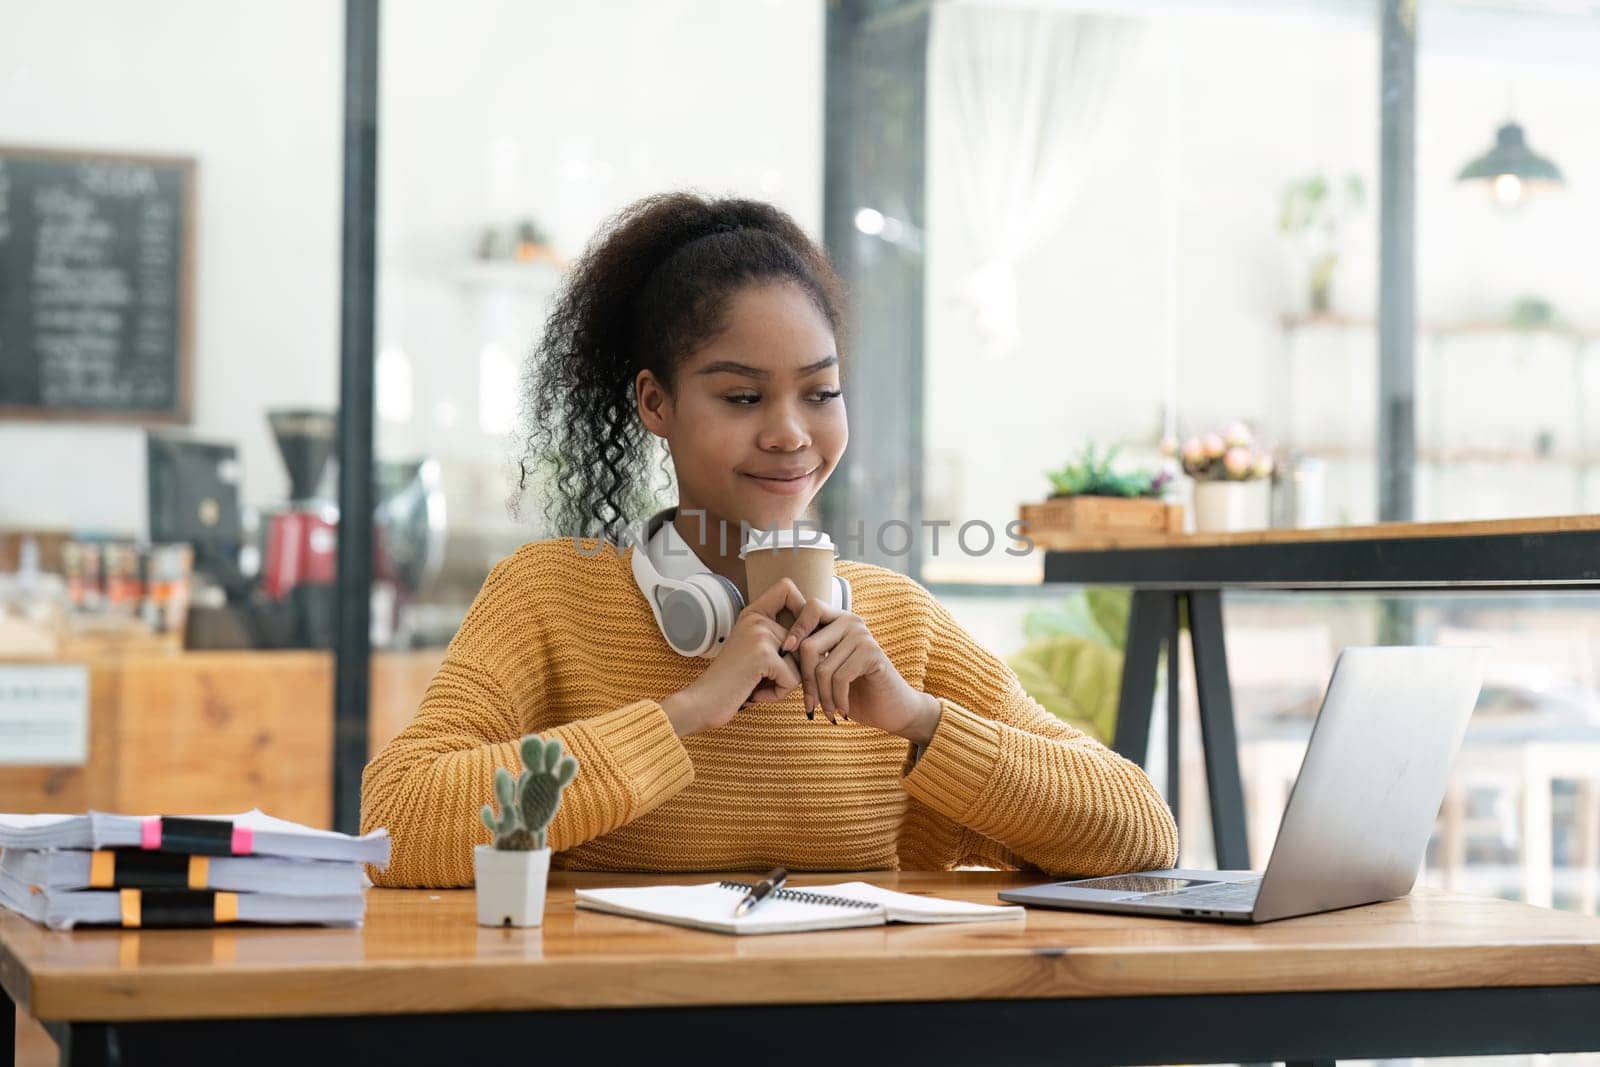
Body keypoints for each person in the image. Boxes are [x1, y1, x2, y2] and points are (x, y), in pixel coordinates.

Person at [361, 192, 1177, 887]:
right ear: (656, 403)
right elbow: (395, 823)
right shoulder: (549, 599)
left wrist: (921, 718)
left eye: (820, 391)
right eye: (744, 396)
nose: (792, 433)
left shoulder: (900, 628)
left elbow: (1141, 831)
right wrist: (684, 713)